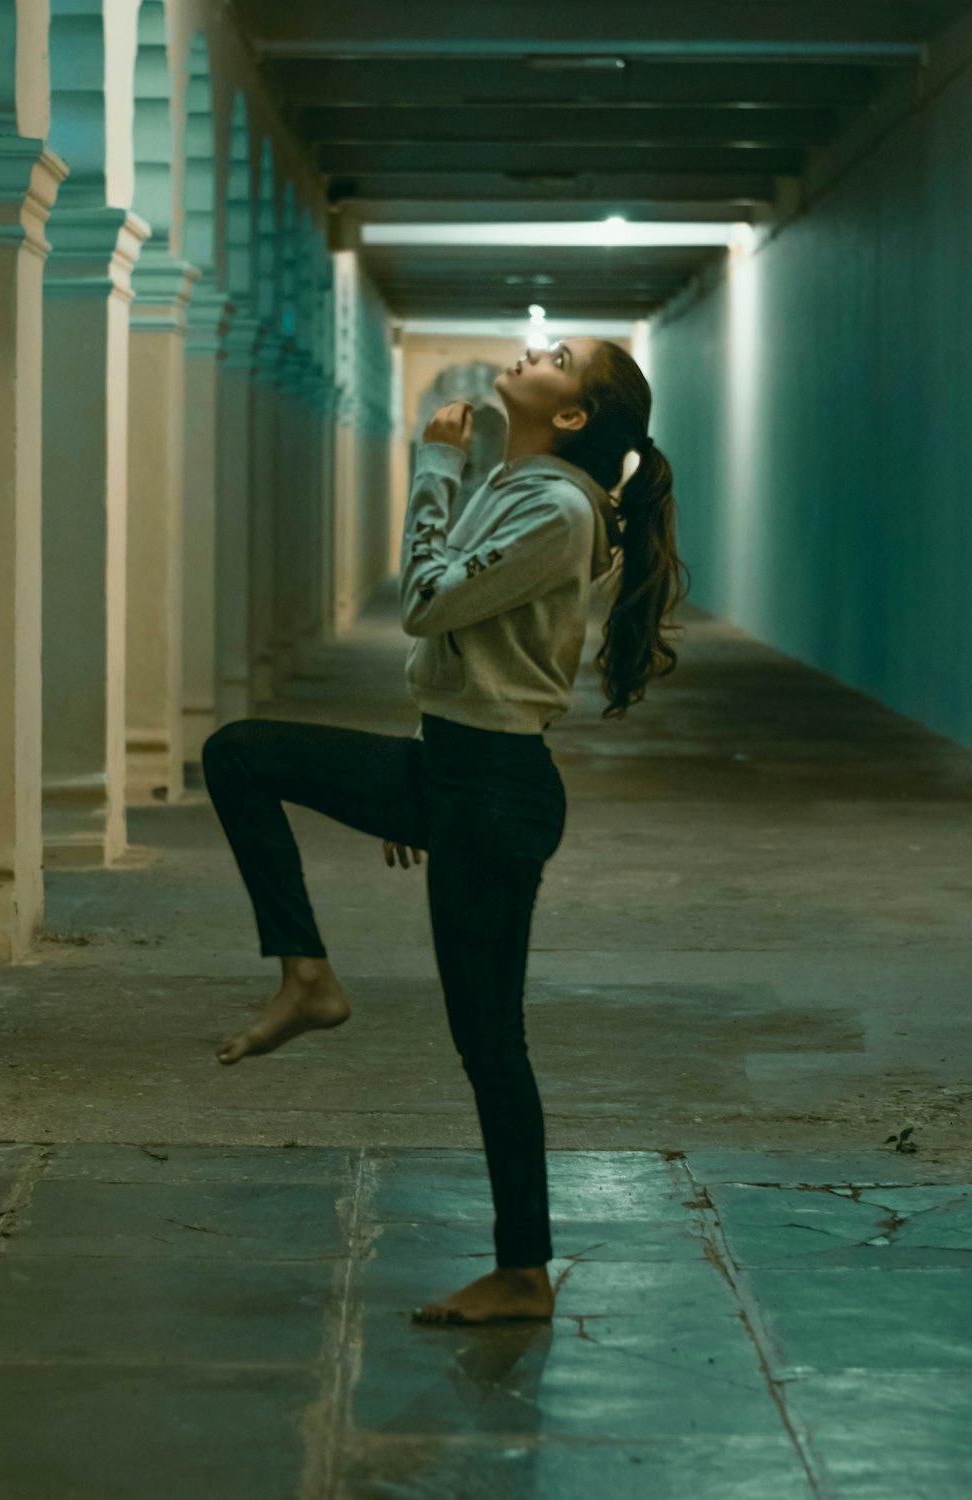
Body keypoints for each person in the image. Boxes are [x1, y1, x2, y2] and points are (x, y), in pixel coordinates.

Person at [200, 337, 691, 1325]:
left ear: (575, 415)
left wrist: (431, 467)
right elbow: (463, 628)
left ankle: (522, 1275)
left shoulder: (553, 510)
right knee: (240, 753)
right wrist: (419, 783)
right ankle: (305, 974)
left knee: (489, 1041)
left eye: (556, 355)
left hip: (494, 793)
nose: (529, 350)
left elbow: (426, 603)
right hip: (452, 770)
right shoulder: (524, 485)